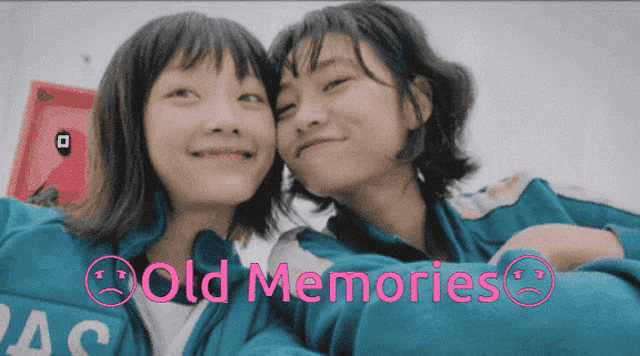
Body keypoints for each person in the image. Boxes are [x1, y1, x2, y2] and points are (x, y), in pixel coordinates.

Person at [260, 2, 640, 355]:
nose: (304, 116)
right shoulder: (299, 261)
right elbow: (405, 327)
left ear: (415, 104)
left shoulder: (533, 203)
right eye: (285, 106)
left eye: (335, 83)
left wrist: (570, 243)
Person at [0, 12, 320, 356]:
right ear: (128, 118)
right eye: (184, 92)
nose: (228, 121)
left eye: (250, 98)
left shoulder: (268, 317)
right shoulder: (11, 235)